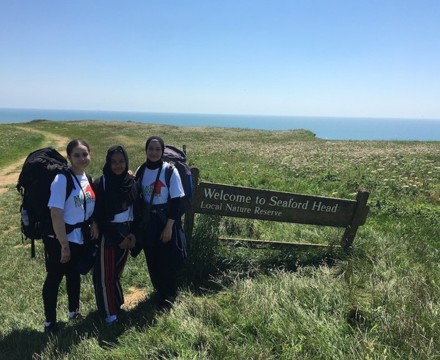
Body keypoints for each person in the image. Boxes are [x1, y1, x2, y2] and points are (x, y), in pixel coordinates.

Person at [43, 139, 98, 332]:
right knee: (54, 278)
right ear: (69, 157)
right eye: (77, 155)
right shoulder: (62, 179)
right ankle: (50, 322)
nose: (82, 158)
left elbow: (89, 206)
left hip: (80, 237)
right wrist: (63, 245)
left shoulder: (88, 179)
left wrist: (95, 223)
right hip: (61, 238)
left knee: (74, 275)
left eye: (85, 154)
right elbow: (55, 213)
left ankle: (73, 312)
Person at [136, 136, 185, 309]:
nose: (154, 152)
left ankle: (168, 295)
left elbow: (177, 201)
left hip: (165, 220)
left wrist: (169, 227)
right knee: (152, 258)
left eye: (157, 149)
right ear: (146, 150)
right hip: (149, 222)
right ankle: (159, 291)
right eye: (151, 148)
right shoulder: (140, 170)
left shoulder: (170, 171)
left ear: (162, 151)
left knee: (166, 260)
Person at [92, 145, 138, 324]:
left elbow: (137, 209)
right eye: (114, 162)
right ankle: (109, 314)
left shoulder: (131, 182)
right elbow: (100, 215)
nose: (118, 166)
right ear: (108, 163)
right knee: (104, 275)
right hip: (109, 234)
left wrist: (133, 234)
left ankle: (116, 303)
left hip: (127, 232)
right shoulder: (100, 183)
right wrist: (118, 238)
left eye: (121, 161)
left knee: (116, 272)